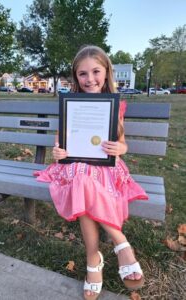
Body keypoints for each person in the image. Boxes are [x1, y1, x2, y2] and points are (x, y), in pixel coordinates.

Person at [34, 45, 148, 300]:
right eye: (82, 74)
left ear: (106, 72)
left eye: (95, 71)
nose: (89, 79)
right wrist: (58, 150)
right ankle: (121, 244)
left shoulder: (115, 105)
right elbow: (59, 140)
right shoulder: (71, 103)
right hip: (75, 165)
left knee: (84, 183)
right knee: (82, 179)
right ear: (76, 77)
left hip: (106, 167)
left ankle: (92, 262)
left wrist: (119, 147)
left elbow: (123, 144)